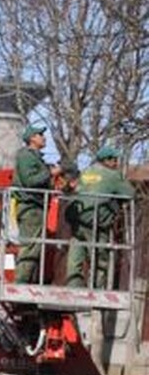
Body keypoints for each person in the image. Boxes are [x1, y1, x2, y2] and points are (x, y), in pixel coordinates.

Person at [65, 146, 134, 289]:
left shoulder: (86, 172)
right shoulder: (112, 175)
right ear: (106, 160)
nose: (116, 163)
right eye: (114, 159)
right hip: (95, 221)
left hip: (76, 219)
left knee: (76, 254)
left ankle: (73, 288)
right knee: (99, 258)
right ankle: (96, 289)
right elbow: (130, 194)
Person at [12, 124, 61, 283]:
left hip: (36, 207)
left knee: (35, 247)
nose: (43, 137)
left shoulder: (35, 157)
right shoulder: (26, 156)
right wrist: (49, 173)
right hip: (30, 207)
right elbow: (29, 180)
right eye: (40, 134)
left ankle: (25, 282)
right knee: (30, 247)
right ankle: (20, 284)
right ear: (32, 138)